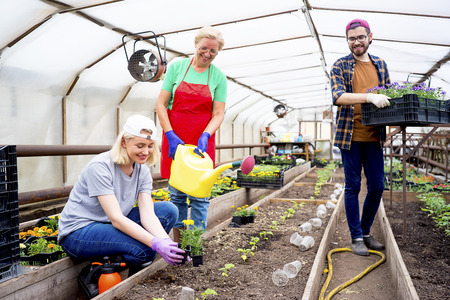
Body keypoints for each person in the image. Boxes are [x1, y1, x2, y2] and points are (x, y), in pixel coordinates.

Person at [58, 115, 185, 274]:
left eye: (150, 145)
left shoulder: (142, 171)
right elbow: (117, 219)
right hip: (79, 232)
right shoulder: (100, 167)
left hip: (108, 225)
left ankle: (114, 260)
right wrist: (154, 243)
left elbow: (147, 214)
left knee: (168, 210)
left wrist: (167, 243)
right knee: (146, 250)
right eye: (140, 146)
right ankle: (96, 271)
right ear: (124, 142)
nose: (146, 152)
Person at [155, 26, 227, 241]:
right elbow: (161, 104)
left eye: (213, 51)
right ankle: (178, 242)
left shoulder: (219, 77)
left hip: (201, 142)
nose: (207, 54)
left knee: (200, 196)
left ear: (217, 52)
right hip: (175, 137)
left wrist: (206, 135)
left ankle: (194, 243)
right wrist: (169, 133)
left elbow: (219, 113)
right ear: (196, 45)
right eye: (204, 48)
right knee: (176, 194)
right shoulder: (177, 67)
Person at [330, 19, 390, 256]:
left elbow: (388, 95)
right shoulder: (340, 65)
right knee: (353, 186)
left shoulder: (381, 65)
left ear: (370, 37)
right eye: (352, 38)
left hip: (374, 136)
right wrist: (368, 98)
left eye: (360, 37)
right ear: (348, 41)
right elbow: (338, 96)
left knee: (377, 186)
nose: (356, 42)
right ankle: (355, 237)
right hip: (350, 136)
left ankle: (365, 232)